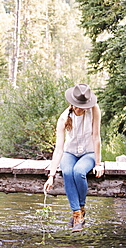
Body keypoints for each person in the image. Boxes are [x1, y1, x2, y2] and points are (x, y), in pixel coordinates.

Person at [43, 83, 104, 233]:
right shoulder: (63, 118)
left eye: (83, 106)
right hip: (69, 153)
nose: (80, 109)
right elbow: (59, 149)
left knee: (79, 172)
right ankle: (77, 214)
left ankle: (80, 209)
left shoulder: (94, 109)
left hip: (89, 153)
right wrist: (51, 175)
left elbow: (96, 137)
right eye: (77, 106)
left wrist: (98, 163)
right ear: (72, 103)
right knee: (68, 172)